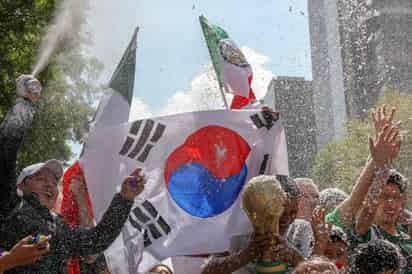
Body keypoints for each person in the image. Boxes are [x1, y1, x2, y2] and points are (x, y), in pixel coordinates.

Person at [0, 75, 146, 273]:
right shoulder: (10, 204)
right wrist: (25, 103)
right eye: (40, 178)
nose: (50, 185)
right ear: (21, 185)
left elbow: (96, 240)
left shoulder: (59, 228)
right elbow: (5, 150)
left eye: (53, 181)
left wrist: (125, 198)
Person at [201, 176, 303, 274]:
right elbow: (207, 270)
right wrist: (245, 255)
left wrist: (294, 257)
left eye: (293, 212)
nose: (287, 218)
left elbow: (317, 269)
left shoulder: (301, 231)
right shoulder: (240, 231)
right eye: (282, 212)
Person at [325, 105, 400, 231]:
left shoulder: (404, 234)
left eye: (396, 197)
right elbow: (354, 203)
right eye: (384, 196)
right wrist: (380, 163)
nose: (391, 204)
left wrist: (382, 160)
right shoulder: (351, 232)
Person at [286, 178, 319, 257]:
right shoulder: (282, 231)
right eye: (305, 196)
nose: (312, 201)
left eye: (316, 196)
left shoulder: (325, 232)